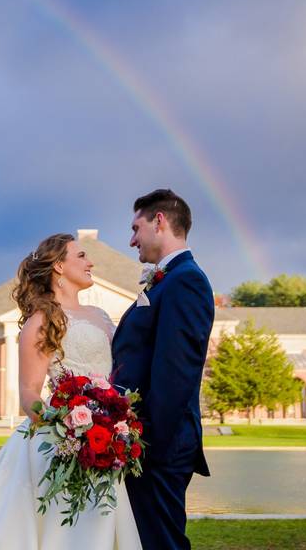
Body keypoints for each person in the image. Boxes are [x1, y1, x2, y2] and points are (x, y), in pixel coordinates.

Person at [0, 232, 142, 549]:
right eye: (82, 256)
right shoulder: (42, 321)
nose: (91, 262)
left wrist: (112, 426)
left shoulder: (100, 316)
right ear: (59, 266)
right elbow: (29, 393)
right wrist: (71, 428)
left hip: (105, 442)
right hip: (61, 444)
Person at [111, 188, 215, 550]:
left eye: (136, 228)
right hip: (148, 443)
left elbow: (176, 373)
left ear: (159, 221)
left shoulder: (185, 281)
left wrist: (145, 444)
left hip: (159, 446)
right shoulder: (168, 279)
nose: (131, 239)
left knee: (161, 542)